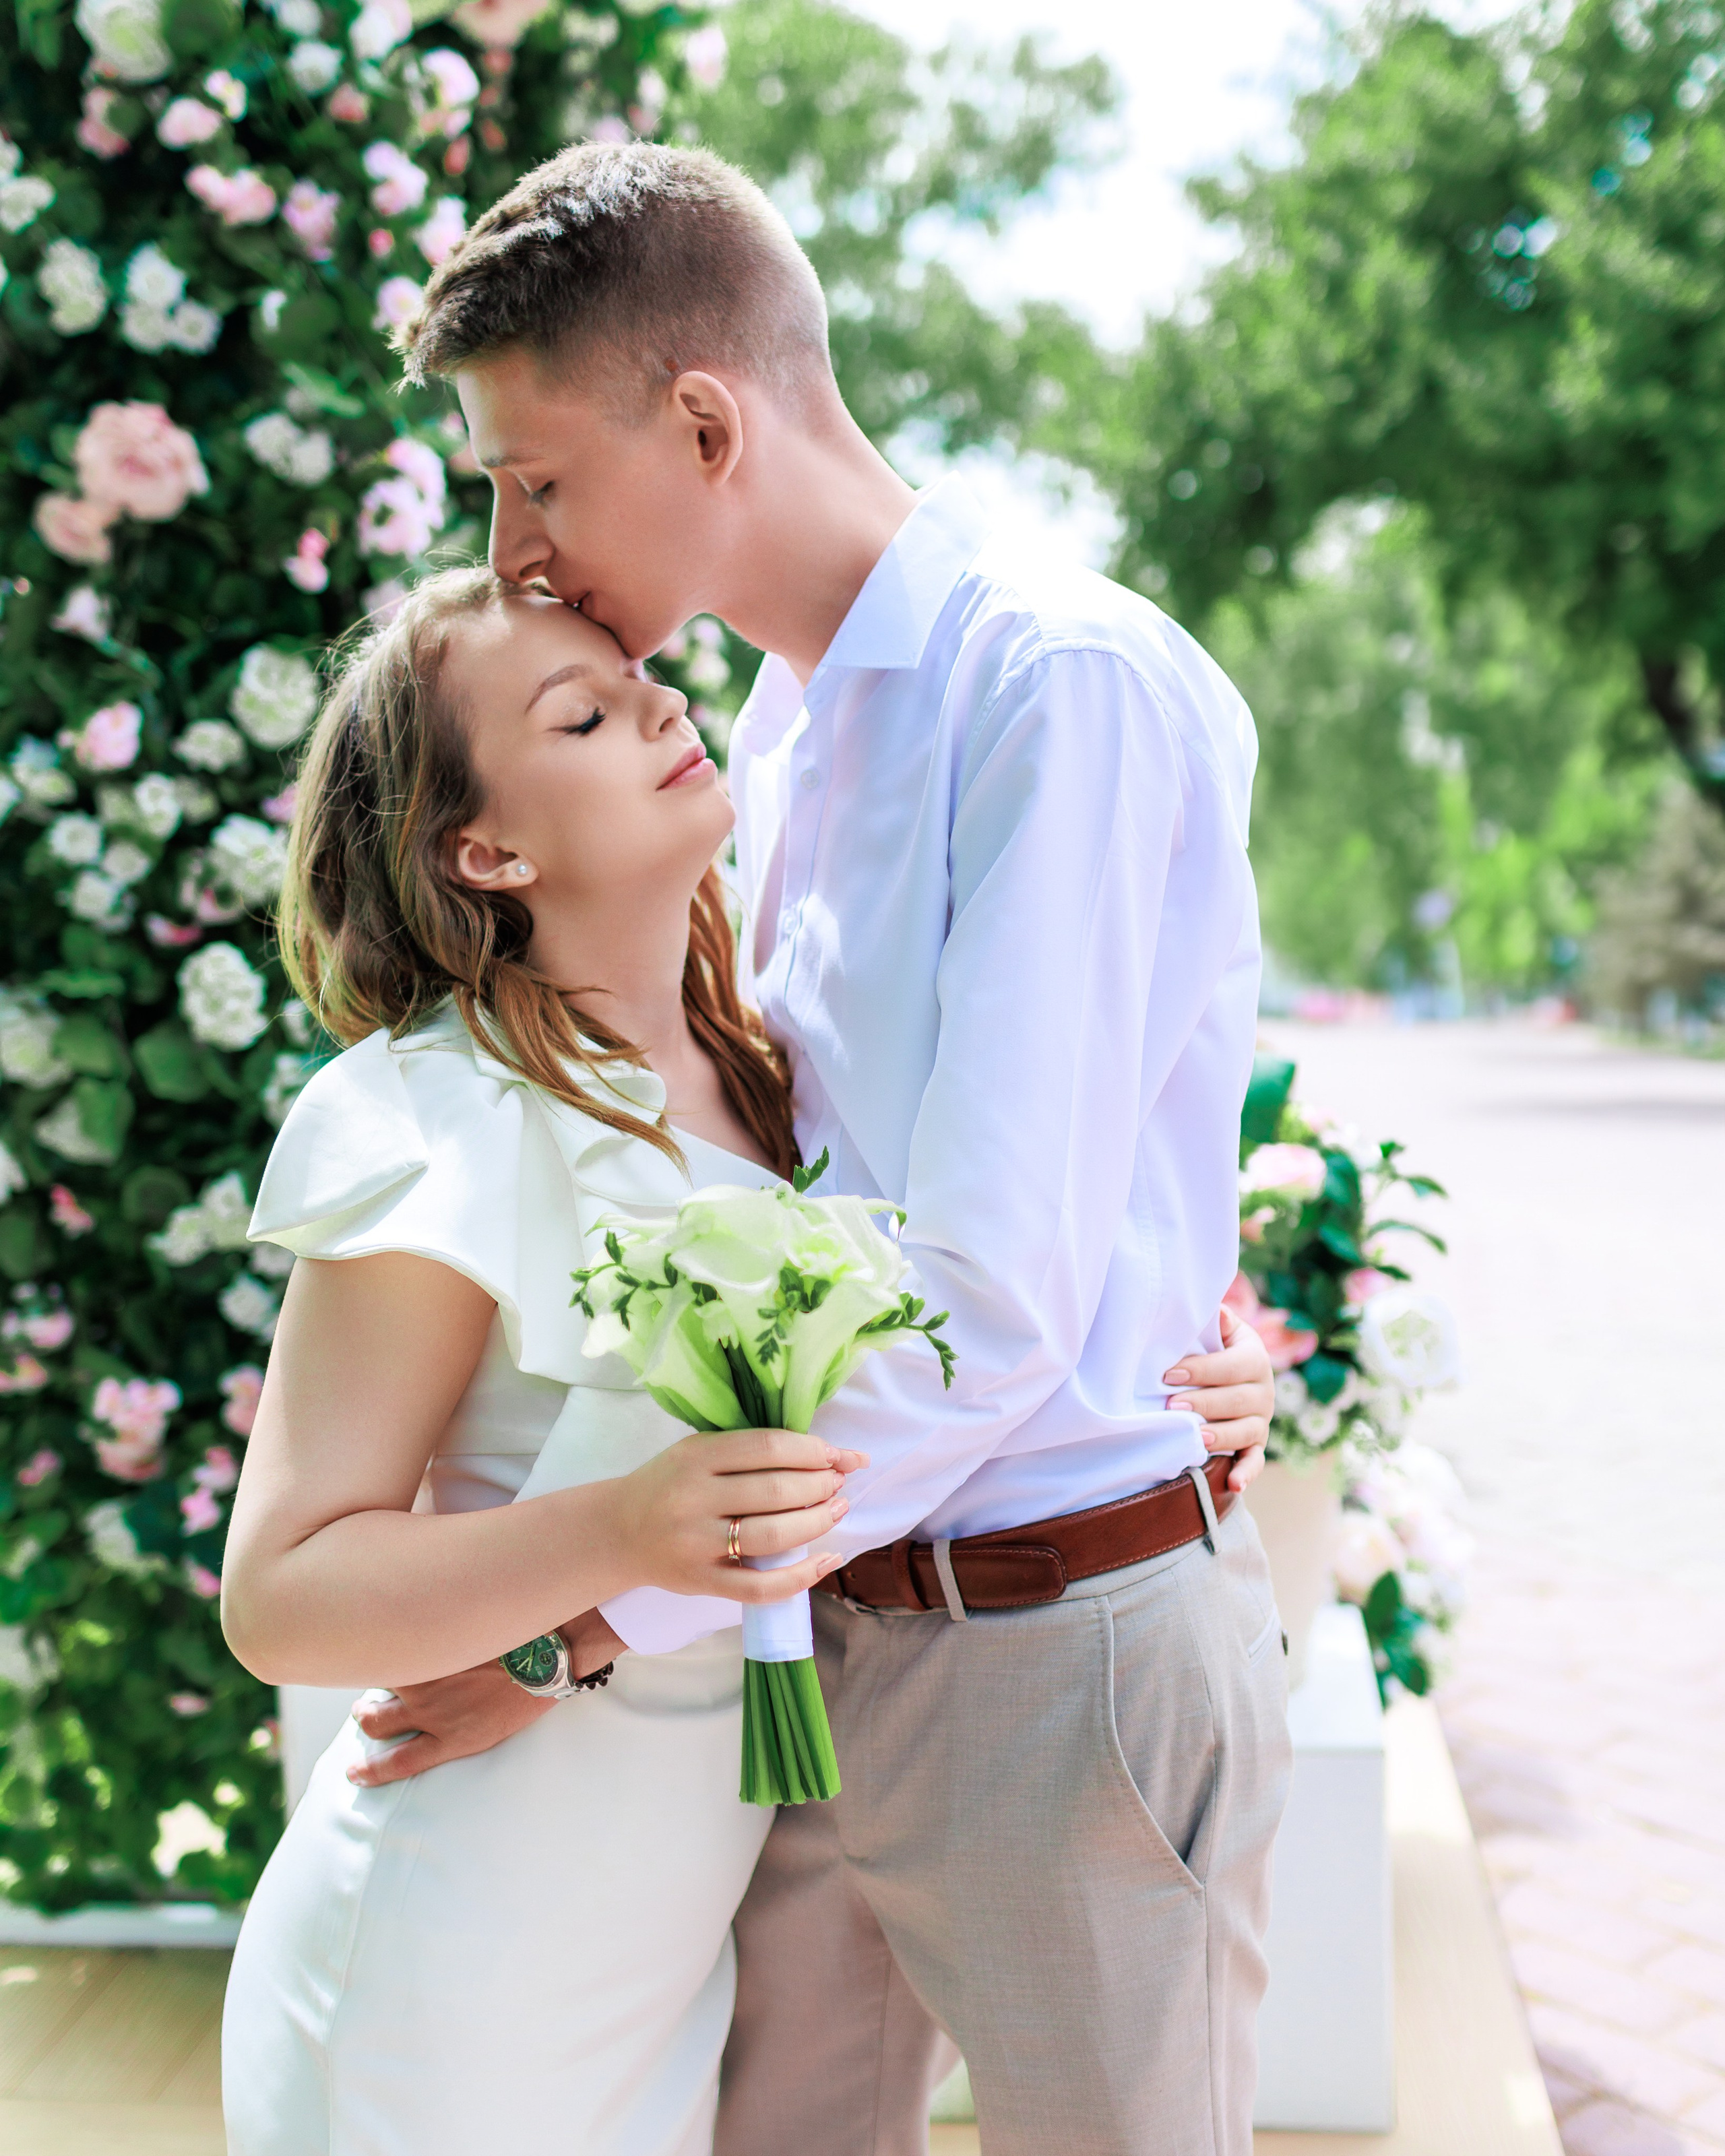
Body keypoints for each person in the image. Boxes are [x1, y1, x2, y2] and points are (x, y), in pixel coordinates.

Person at [374, 141, 1291, 2156]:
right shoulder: (777, 739)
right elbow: (820, 1198)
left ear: (703, 422)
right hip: (825, 1641)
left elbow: (988, 1290)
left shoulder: (1056, 689)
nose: (518, 551)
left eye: (535, 478)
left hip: (1060, 1661)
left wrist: (590, 1618)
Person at [219, 572, 869, 2155]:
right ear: (485, 851)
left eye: (636, 679)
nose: (659, 704)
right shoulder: (443, 1112)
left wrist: (1188, 1393)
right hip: (464, 1954)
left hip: (666, 1942)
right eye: (578, 715)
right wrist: (617, 1537)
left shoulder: (776, 1071)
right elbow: (282, 1592)